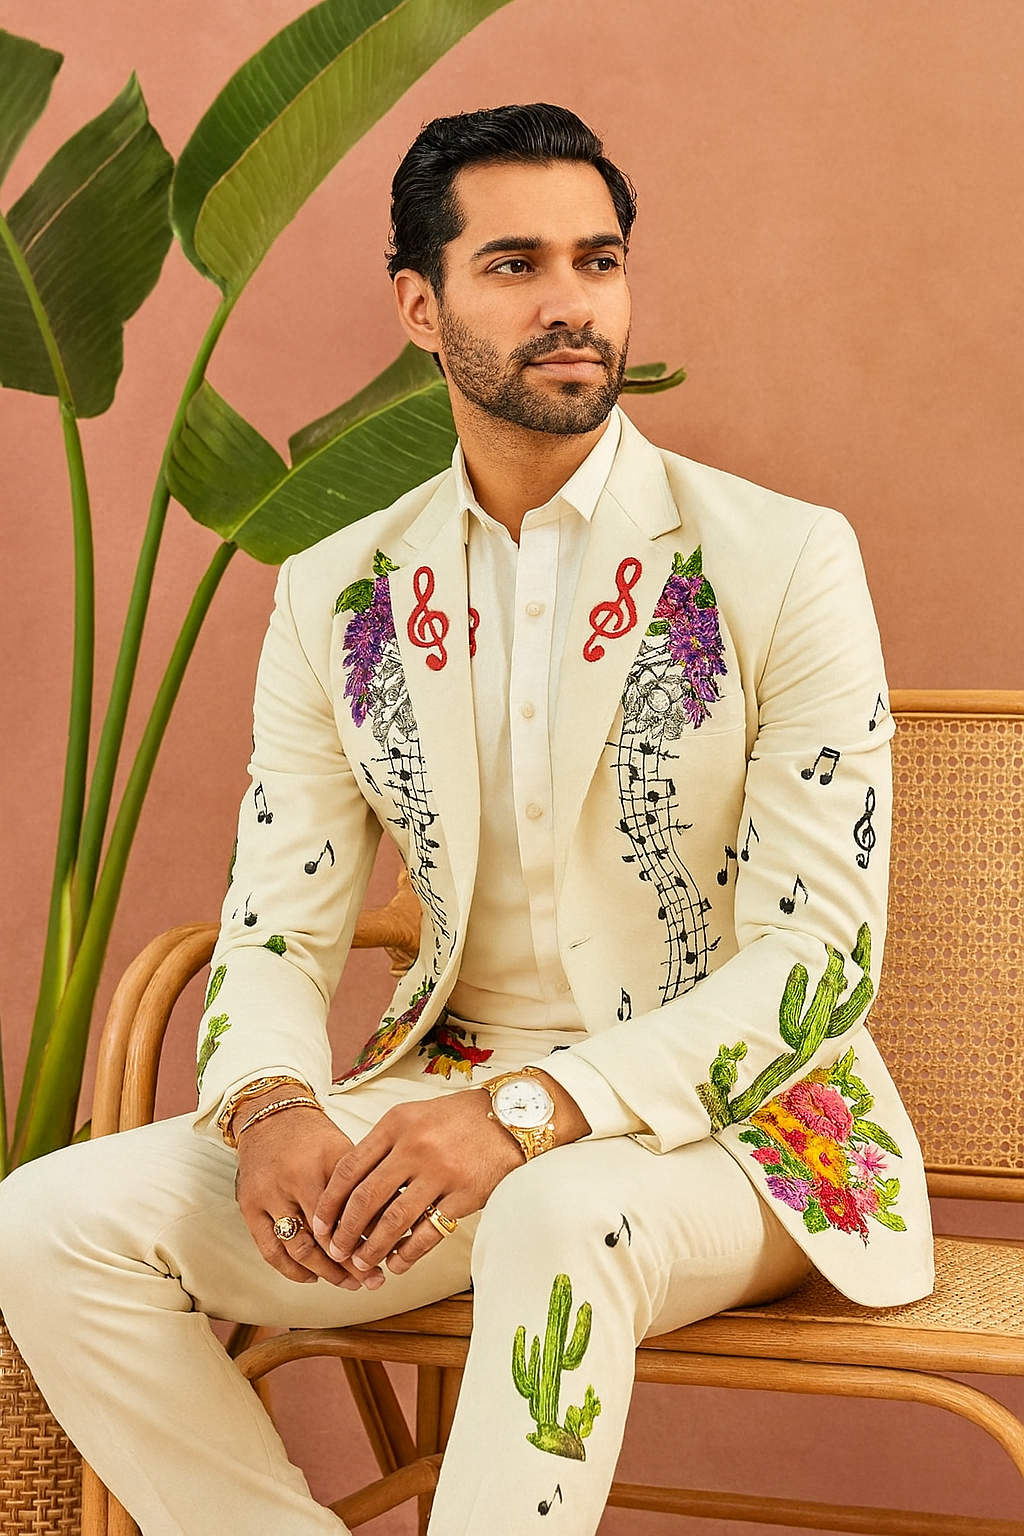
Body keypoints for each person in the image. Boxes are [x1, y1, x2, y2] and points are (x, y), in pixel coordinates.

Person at [0, 103, 934, 1536]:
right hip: (423, 1111)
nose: (573, 304)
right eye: (515, 265)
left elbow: (819, 962)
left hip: (739, 1132)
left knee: (561, 1215)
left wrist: (528, 1114)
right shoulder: (336, 588)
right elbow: (276, 920)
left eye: (600, 259)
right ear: (420, 308)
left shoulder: (782, 558)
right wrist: (267, 1104)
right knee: (48, 1222)